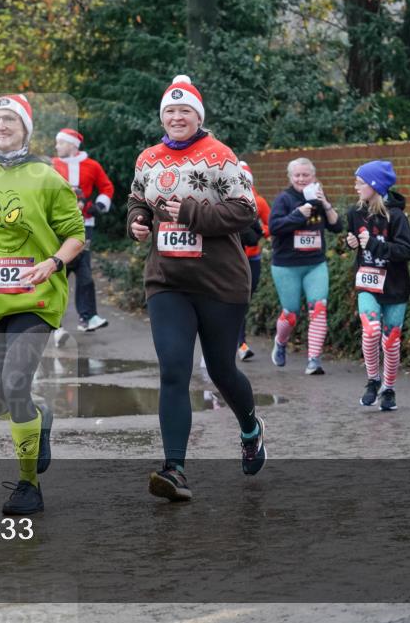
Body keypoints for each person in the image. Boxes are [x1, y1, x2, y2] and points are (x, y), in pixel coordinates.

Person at [0, 94, 86, 515]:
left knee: (15, 383)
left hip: (35, 297)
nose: (0, 125)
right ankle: (39, 417)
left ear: (26, 128)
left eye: (9, 119)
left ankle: (28, 485)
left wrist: (53, 262)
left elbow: (75, 233)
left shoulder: (46, 177)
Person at [127, 75, 266, 503]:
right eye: (169, 111)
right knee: (173, 369)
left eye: (184, 111)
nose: (176, 117)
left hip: (220, 282)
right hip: (167, 282)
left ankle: (250, 428)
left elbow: (244, 212)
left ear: (197, 116)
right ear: (162, 118)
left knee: (222, 371)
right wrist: (138, 220)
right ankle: (175, 469)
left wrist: (189, 211)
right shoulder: (148, 159)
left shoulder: (219, 156)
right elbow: (137, 197)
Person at [346, 160, 410, 411]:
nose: (356, 187)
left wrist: (374, 244)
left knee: (391, 340)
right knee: (372, 330)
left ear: (374, 186)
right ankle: (372, 381)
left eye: (360, 182)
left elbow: (407, 251)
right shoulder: (354, 213)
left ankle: (388, 389)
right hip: (367, 283)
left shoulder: (396, 217)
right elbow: (353, 240)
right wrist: (351, 242)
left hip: (396, 286)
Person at [267, 157, 343, 374]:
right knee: (291, 314)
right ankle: (281, 342)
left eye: (305, 175)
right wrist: (297, 215)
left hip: (314, 263)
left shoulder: (319, 197)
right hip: (286, 265)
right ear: (290, 178)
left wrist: (326, 204)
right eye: (297, 175)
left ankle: (314, 360)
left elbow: (337, 226)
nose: (301, 179)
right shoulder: (284, 199)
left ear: (314, 176)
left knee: (319, 307)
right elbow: (274, 227)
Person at [51, 127, 114, 342]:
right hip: (56, 228)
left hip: (85, 224)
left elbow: (107, 187)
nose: (57, 146)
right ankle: (54, 323)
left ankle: (87, 317)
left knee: (83, 268)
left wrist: (99, 204)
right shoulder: (51, 166)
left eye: (60, 143)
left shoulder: (91, 165)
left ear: (72, 145)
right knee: (60, 270)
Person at [235, 160, 271, 361]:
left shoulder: (260, 202)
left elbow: (270, 225)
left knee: (244, 301)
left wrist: (259, 232)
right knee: (236, 300)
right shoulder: (226, 199)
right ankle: (240, 343)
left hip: (253, 258)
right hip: (232, 261)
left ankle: (238, 341)